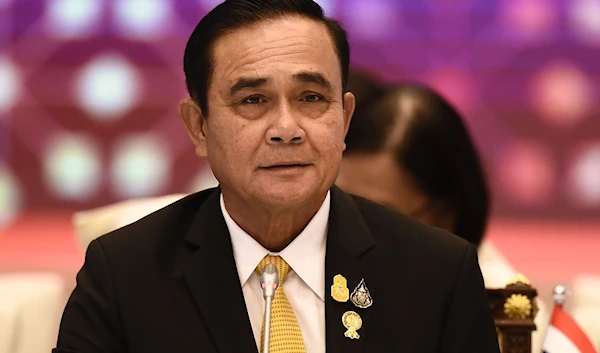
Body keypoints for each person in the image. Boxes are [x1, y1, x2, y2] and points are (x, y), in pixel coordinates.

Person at [53, 1, 500, 352]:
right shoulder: (124, 275)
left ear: (344, 119)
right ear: (199, 126)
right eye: (252, 101)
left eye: (310, 97)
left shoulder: (438, 272)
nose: (287, 129)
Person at [336, 81, 548, 352]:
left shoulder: (506, 312)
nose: (353, 227)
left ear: (444, 218)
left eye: (379, 214)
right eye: (342, 202)